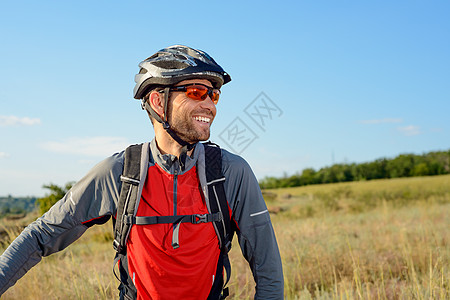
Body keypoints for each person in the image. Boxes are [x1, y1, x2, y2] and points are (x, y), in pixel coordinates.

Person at [0, 45, 284, 299]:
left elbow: (268, 272)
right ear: (158, 101)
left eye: (214, 95)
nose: (209, 105)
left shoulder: (230, 172)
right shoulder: (120, 173)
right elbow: (42, 235)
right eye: (197, 92)